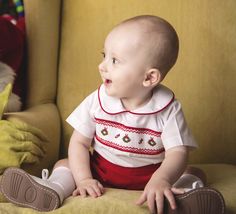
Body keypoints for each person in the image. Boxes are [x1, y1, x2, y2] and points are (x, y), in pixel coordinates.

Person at [1, 15, 225, 214]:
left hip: (151, 178)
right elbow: (79, 142)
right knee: (66, 163)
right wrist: (85, 178)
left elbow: (177, 152)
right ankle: (52, 190)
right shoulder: (98, 100)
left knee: (191, 170)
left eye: (114, 60)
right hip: (100, 171)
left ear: (149, 78)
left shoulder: (167, 108)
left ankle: (179, 198)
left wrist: (161, 179)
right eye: (104, 55)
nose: (102, 66)